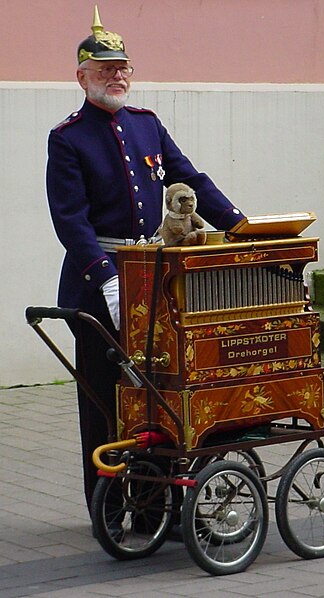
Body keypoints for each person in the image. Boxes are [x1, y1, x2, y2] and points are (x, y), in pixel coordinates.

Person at [46, 6, 245, 518]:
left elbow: (190, 177)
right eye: (106, 69)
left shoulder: (146, 126)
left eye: (123, 68)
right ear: (82, 76)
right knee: (104, 402)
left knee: (156, 397)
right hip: (99, 286)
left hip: (151, 280)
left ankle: (158, 511)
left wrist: (239, 224)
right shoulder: (68, 138)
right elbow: (71, 221)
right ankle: (109, 509)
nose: (117, 77)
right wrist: (108, 281)